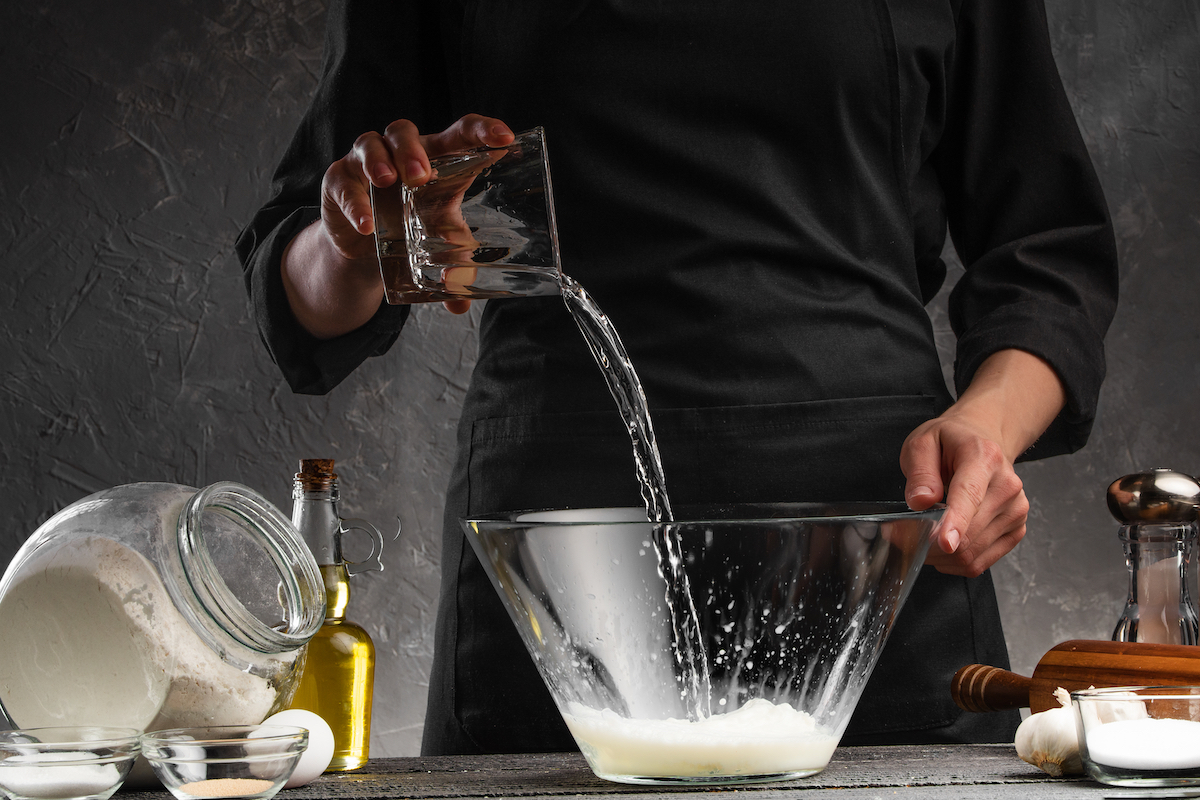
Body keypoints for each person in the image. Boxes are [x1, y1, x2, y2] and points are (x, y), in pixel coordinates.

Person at [238, 0, 1118, 754]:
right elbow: (301, 280)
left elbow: (1046, 252)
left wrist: (988, 431)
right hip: (559, 561)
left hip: (880, 550)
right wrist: (357, 240)